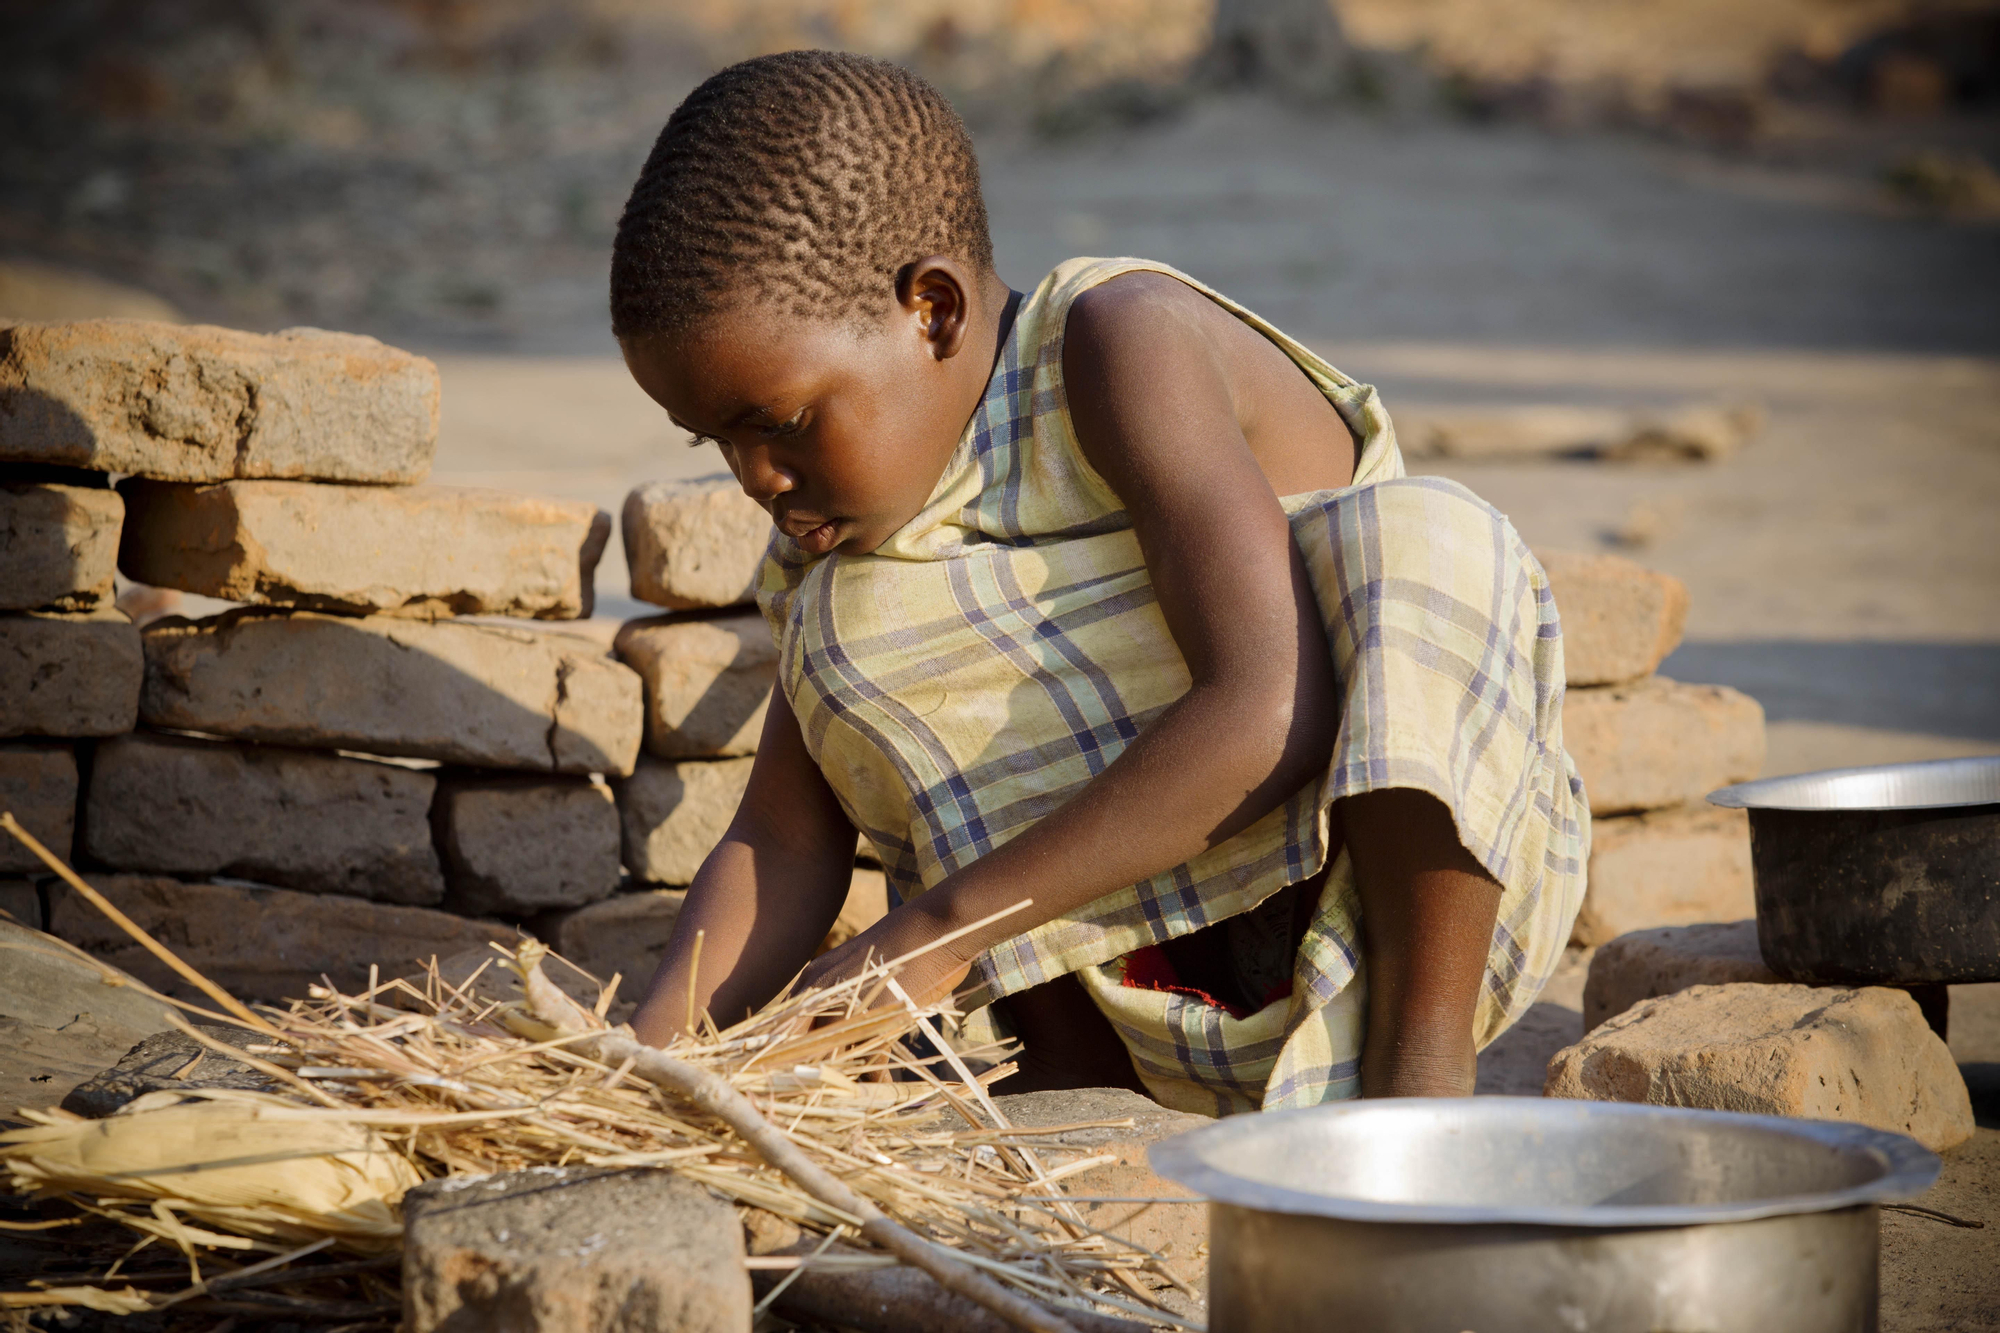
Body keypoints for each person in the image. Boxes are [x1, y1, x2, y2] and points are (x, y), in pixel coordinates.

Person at [610, 50, 1587, 1114]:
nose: (754, 478)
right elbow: (781, 841)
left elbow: (1274, 708)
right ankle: (1082, 1096)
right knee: (846, 629)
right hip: (1169, 1013)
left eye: (784, 423)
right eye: (715, 441)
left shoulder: (1120, 345)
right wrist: (633, 1064)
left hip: (1362, 927)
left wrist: (924, 942)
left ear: (930, 310)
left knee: (1431, 537)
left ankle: (1419, 1093)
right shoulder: (838, 542)